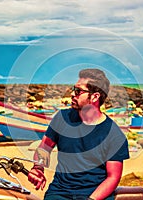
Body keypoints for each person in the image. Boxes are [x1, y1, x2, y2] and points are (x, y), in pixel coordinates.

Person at [28, 68, 130, 200]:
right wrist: (38, 167)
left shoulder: (114, 135)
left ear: (95, 97)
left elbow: (113, 177)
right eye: (73, 89)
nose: (72, 94)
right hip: (59, 192)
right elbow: (44, 148)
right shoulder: (62, 118)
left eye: (78, 91)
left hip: (95, 195)